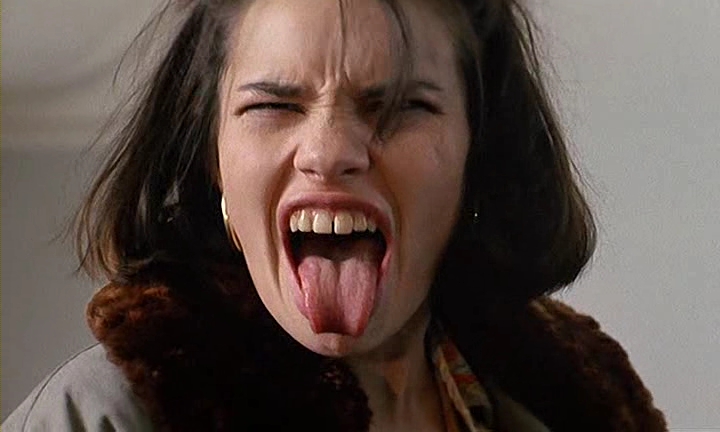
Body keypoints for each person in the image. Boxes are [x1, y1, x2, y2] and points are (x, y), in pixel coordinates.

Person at [4, 0, 668, 431]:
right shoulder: (104, 416)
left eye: (401, 106)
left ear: (479, 153)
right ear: (213, 160)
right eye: (273, 107)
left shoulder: (583, 405)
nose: (328, 153)